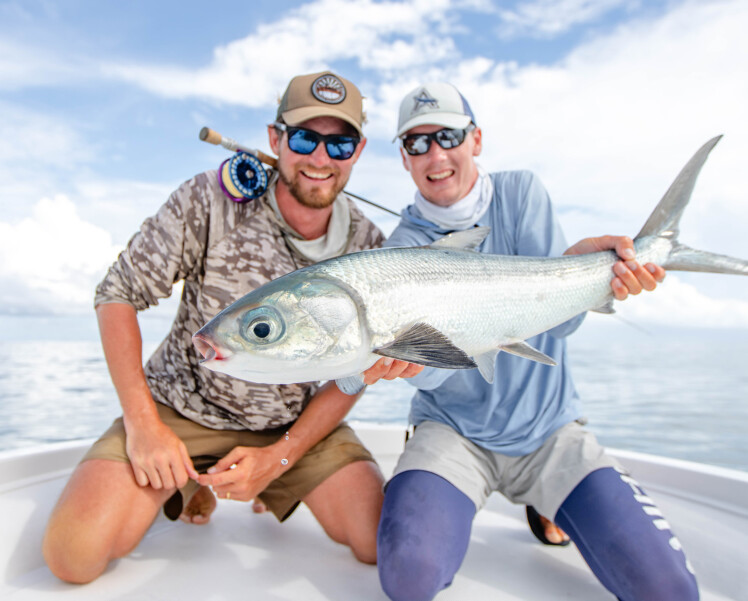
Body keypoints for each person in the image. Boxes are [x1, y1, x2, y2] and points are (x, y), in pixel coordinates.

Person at [42, 71, 418, 584]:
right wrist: (144, 425)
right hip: (179, 411)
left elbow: (354, 373)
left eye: (340, 143)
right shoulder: (209, 201)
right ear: (275, 138)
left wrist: (281, 458)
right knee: (74, 556)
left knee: (381, 545)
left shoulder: (371, 248)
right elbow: (117, 293)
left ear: (358, 150)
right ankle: (193, 482)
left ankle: (261, 483)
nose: (320, 159)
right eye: (305, 137)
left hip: (292, 425)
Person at [376, 82, 699, 601]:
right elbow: (435, 372)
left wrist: (584, 272)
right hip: (453, 432)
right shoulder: (402, 249)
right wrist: (412, 361)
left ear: (475, 139)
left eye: (448, 136)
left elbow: (562, 327)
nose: (435, 155)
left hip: (550, 431)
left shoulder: (521, 192)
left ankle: (547, 495)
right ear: (404, 158)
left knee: (669, 590)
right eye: (416, 143)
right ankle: (538, 501)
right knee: (407, 578)